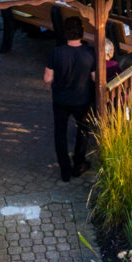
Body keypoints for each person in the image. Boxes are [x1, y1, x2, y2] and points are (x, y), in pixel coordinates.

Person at [44, 19, 96, 182]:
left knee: (60, 133)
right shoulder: (90, 52)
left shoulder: (56, 52)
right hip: (82, 100)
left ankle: (65, 170)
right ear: (81, 32)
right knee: (83, 132)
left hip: (60, 100)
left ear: (65, 33)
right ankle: (79, 164)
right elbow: (95, 77)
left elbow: (47, 79)